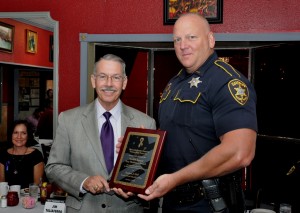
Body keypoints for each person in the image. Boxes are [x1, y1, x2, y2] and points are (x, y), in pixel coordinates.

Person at [137, 13, 258, 212]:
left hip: (210, 204)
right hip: (171, 200)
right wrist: (142, 149)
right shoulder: (173, 84)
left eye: (192, 37)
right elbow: (178, 144)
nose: (183, 45)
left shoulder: (226, 82)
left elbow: (240, 153)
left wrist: (176, 179)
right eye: (177, 39)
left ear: (211, 40)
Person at [45, 54, 156, 213]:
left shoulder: (145, 123)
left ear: (124, 82)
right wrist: (84, 181)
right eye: (103, 76)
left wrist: (136, 188)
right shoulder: (68, 119)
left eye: (116, 77)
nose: (109, 84)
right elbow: (53, 167)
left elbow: (150, 176)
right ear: (93, 80)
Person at [0, 120, 45, 189]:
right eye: (15, 133)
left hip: (29, 198)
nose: (19, 137)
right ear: (11, 135)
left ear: (28, 136)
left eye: (23, 133)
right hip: (8, 197)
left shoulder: (36, 155)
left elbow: (36, 186)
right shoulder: (3, 154)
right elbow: (1, 184)